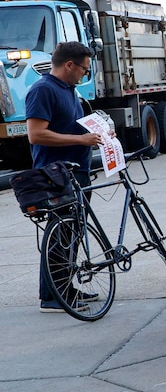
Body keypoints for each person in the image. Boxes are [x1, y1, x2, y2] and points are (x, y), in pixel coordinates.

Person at [26, 41, 103, 313]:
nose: (85, 74)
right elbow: (36, 134)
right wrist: (80, 139)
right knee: (60, 234)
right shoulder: (43, 90)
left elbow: (72, 128)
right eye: (83, 68)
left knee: (72, 232)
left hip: (76, 171)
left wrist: (95, 137)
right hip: (55, 173)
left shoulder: (69, 90)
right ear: (69, 64)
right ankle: (51, 297)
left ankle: (64, 288)